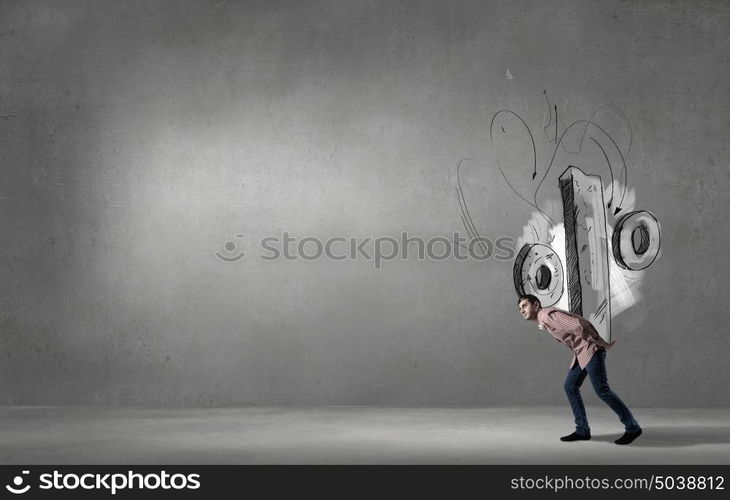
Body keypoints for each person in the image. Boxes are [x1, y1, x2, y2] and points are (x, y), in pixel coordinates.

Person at [517, 294, 642, 445]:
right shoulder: (545, 319)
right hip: (581, 353)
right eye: (520, 308)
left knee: (602, 390)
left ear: (536, 305)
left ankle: (632, 427)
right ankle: (582, 430)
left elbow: (578, 325)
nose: (522, 310)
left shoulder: (546, 315)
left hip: (590, 349)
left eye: (524, 306)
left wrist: (595, 341)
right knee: (570, 386)